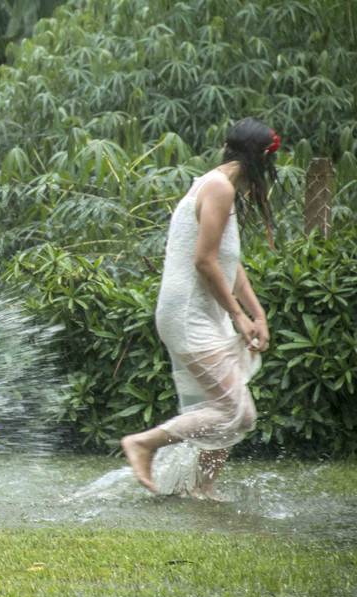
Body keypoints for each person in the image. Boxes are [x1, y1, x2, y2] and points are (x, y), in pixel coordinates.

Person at [120, 117, 280, 498]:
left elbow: (229, 261)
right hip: (188, 312)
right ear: (260, 158)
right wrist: (238, 316)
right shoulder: (218, 188)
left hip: (204, 311)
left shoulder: (222, 187)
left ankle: (202, 488)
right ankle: (144, 443)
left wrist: (257, 313)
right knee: (236, 411)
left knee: (226, 406)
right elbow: (204, 261)